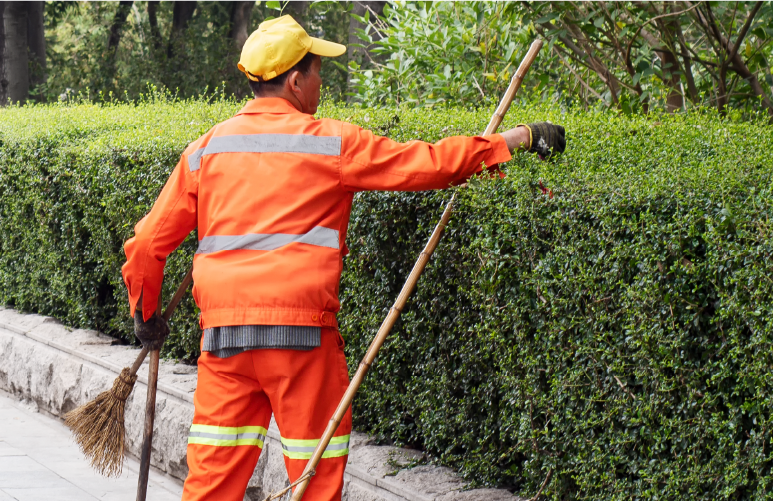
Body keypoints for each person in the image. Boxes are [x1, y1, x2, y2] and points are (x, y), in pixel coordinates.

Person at [119, 15, 566, 501]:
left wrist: (146, 316)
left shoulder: (206, 150)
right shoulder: (331, 142)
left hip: (226, 339)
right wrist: (516, 139)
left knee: (211, 483)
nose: (320, 82)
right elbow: (428, 163)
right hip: (302, 338)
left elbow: (146, 247)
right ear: (294, 80)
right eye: (316, 73)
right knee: (311, 481)